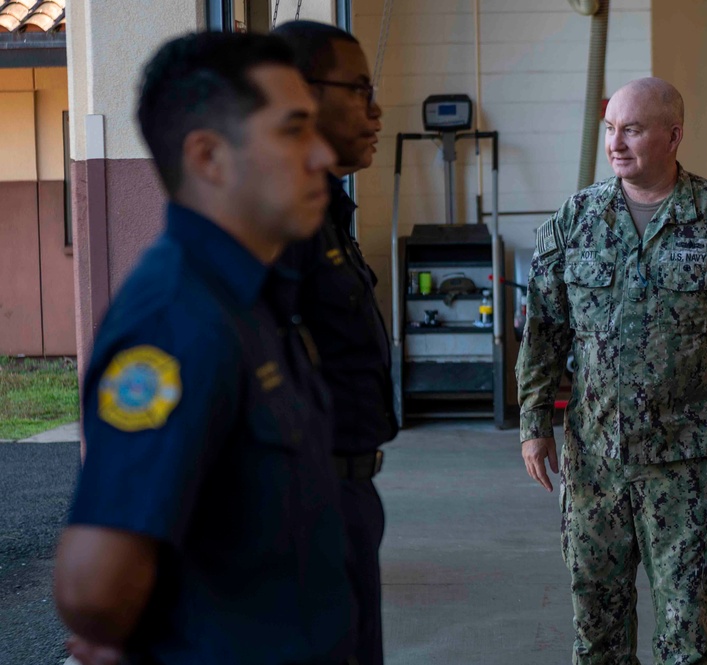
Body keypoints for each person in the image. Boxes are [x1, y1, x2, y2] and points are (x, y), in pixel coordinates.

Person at [52, 32, 352, 665]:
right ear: (209, 157)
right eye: (295, 130)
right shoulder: (178, 321)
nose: (323, 153)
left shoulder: (250, 297)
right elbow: (94, 586)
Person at [516, 77, 707, 664]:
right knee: (597, 630)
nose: (616, 143)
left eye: (633, 129)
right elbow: (543, 325)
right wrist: (534, 421)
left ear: (674, 136)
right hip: (596, 462)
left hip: (689, 466)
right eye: (611, 128)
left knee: (689, 633)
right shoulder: (577, 219)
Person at [271, 21, 394, 665]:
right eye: (360, 90)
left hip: (346, 493)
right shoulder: (276, 225)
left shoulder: (328, 214)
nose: (375, 112)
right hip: (301, 506)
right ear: (302, 94)